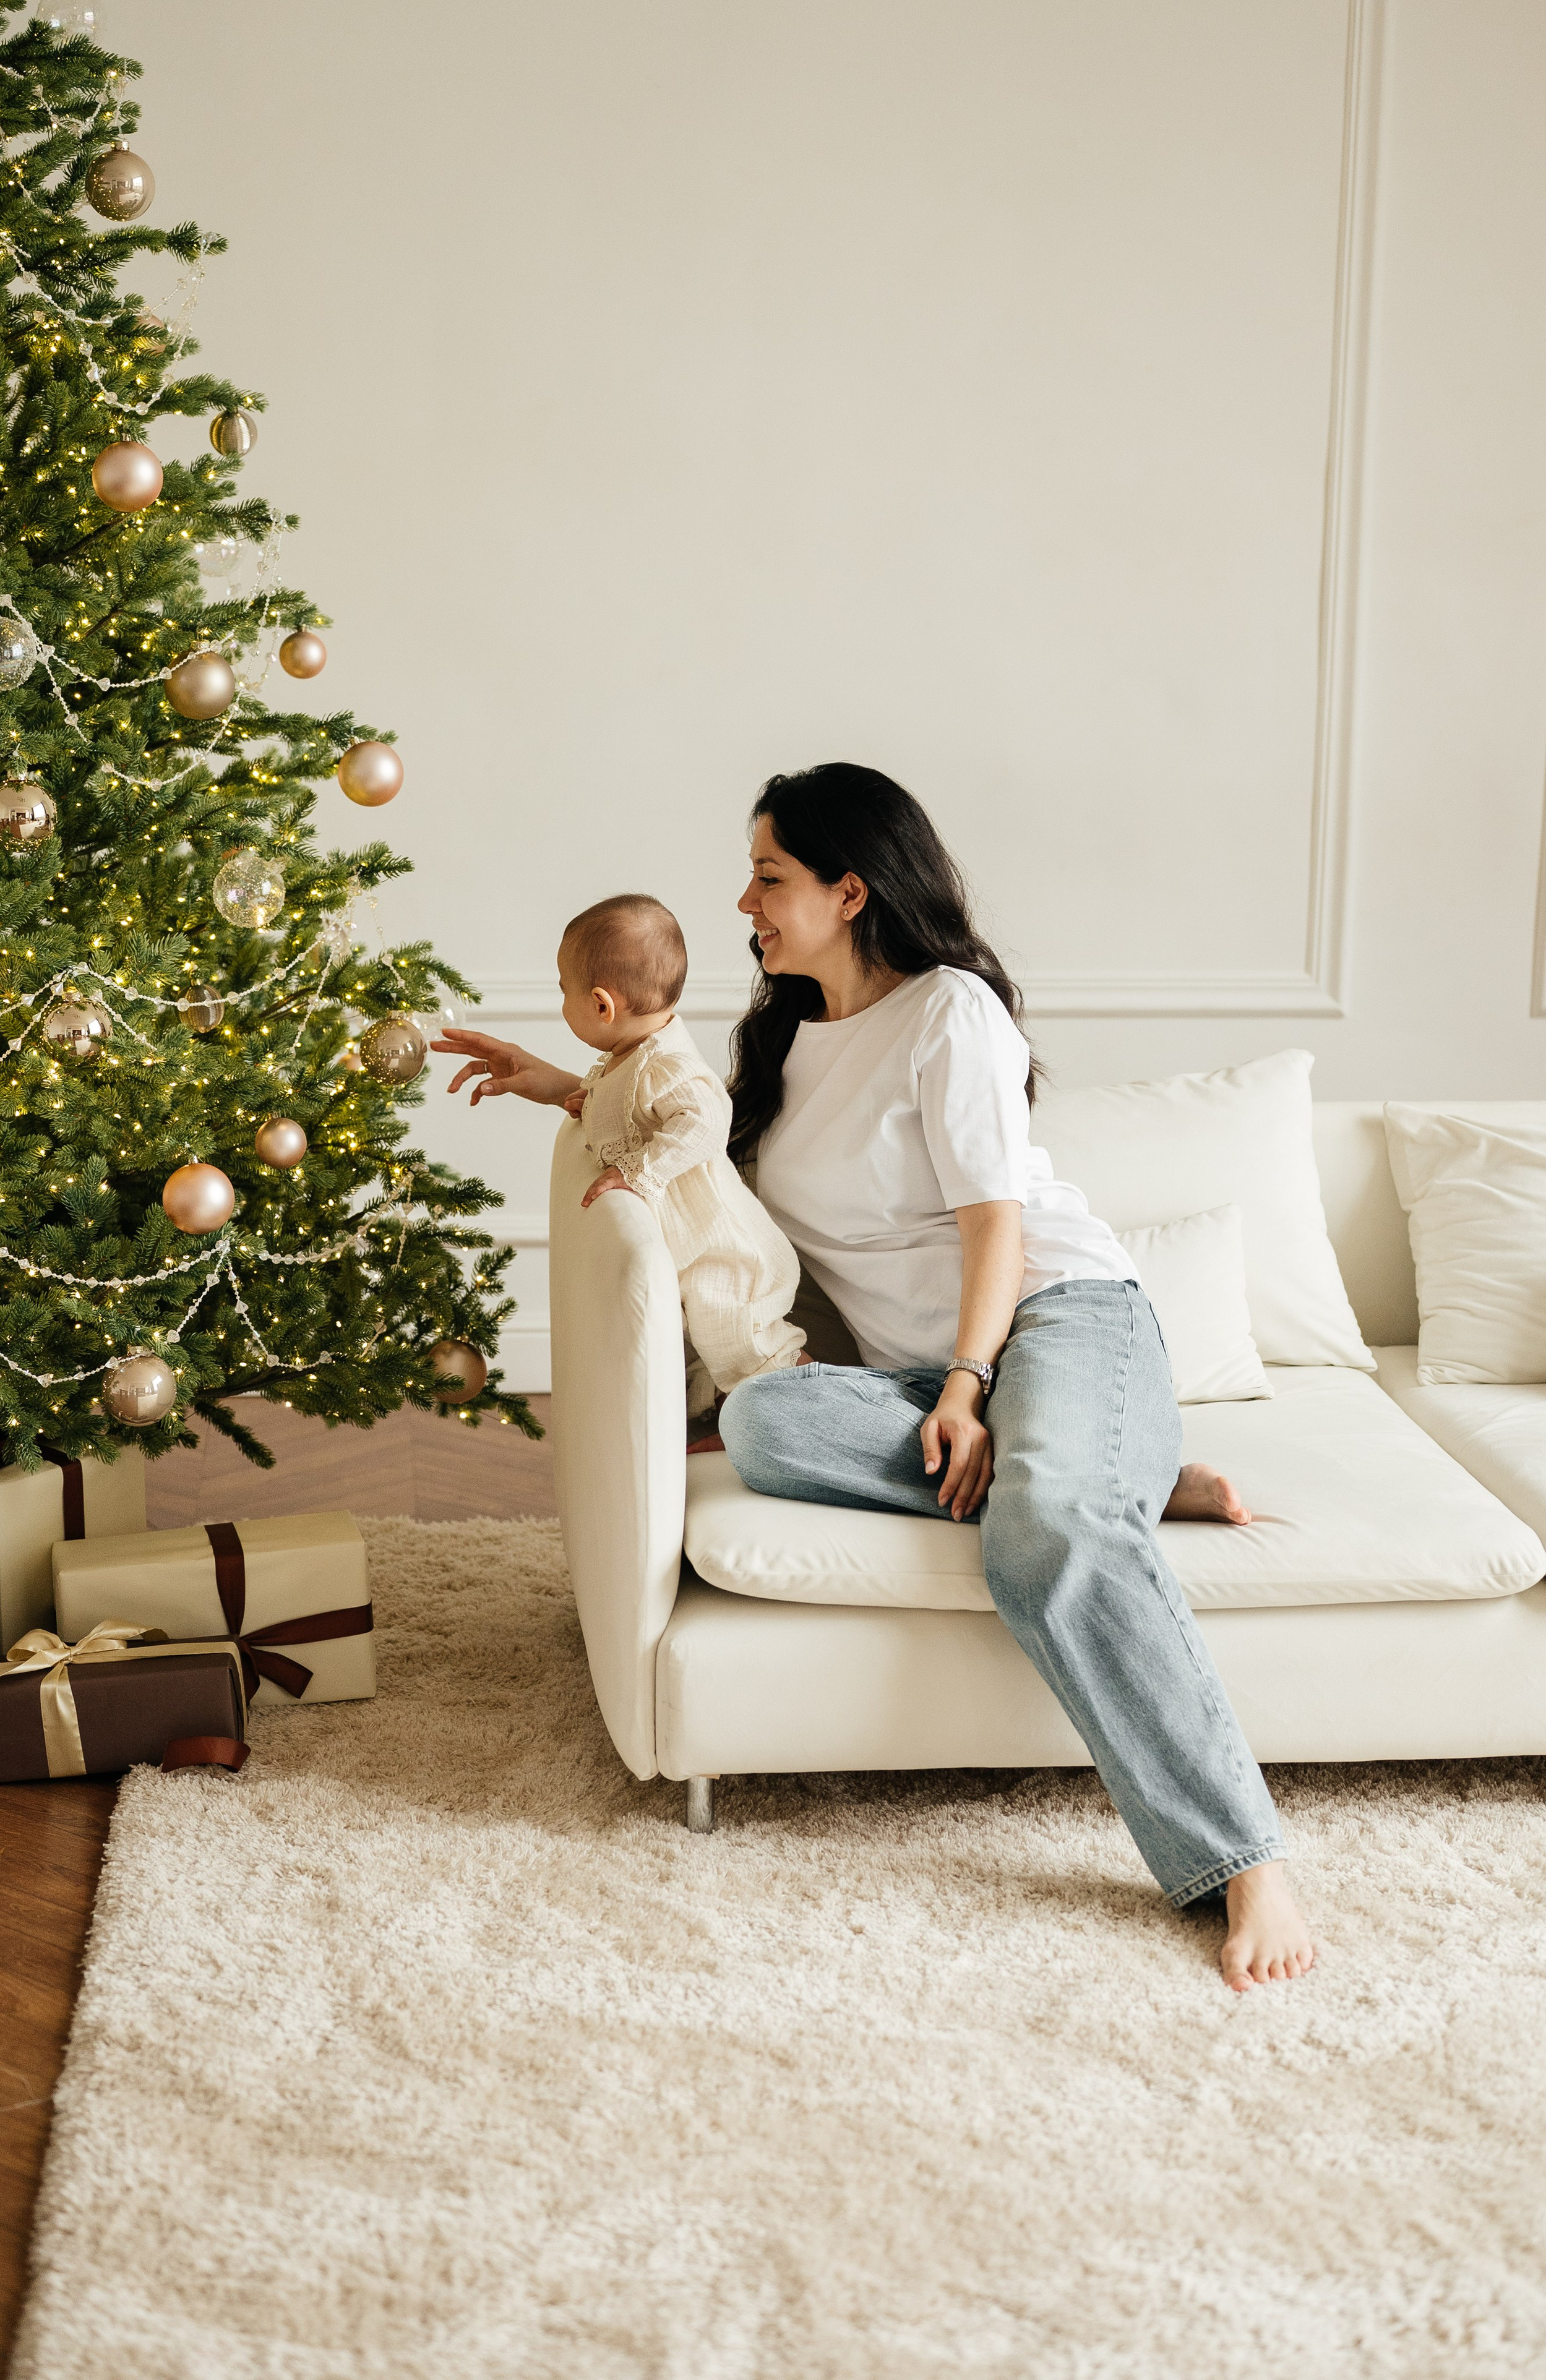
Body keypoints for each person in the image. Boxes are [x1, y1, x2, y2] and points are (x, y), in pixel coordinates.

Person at [715, 763, 1312, 1993]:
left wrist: (967, 1384)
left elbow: (995, 1225)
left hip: (1056, 1317)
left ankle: (1244, 1857)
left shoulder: (946, 1011)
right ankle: (1115, 1472)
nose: (745, 901)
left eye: (769, 877)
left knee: (1043, 1527)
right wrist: (577, 1092)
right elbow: (706, 1172)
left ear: (848, 888)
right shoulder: (783, 1041)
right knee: (764, 1420)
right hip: (946, 1372)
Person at [434, 892, 805, 1411]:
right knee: (710, 1356)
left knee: (742, 1346)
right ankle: (734, 1422)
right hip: (692, 1254)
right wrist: (536, 1077)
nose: (562, 1002)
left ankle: (817, 1400)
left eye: (565, 991)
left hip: (722, 1252)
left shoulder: (665, 1063)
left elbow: (708, 1117)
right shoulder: (627, 1059)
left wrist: (639, 1172)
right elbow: (607, 1108)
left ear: (602, 1005)